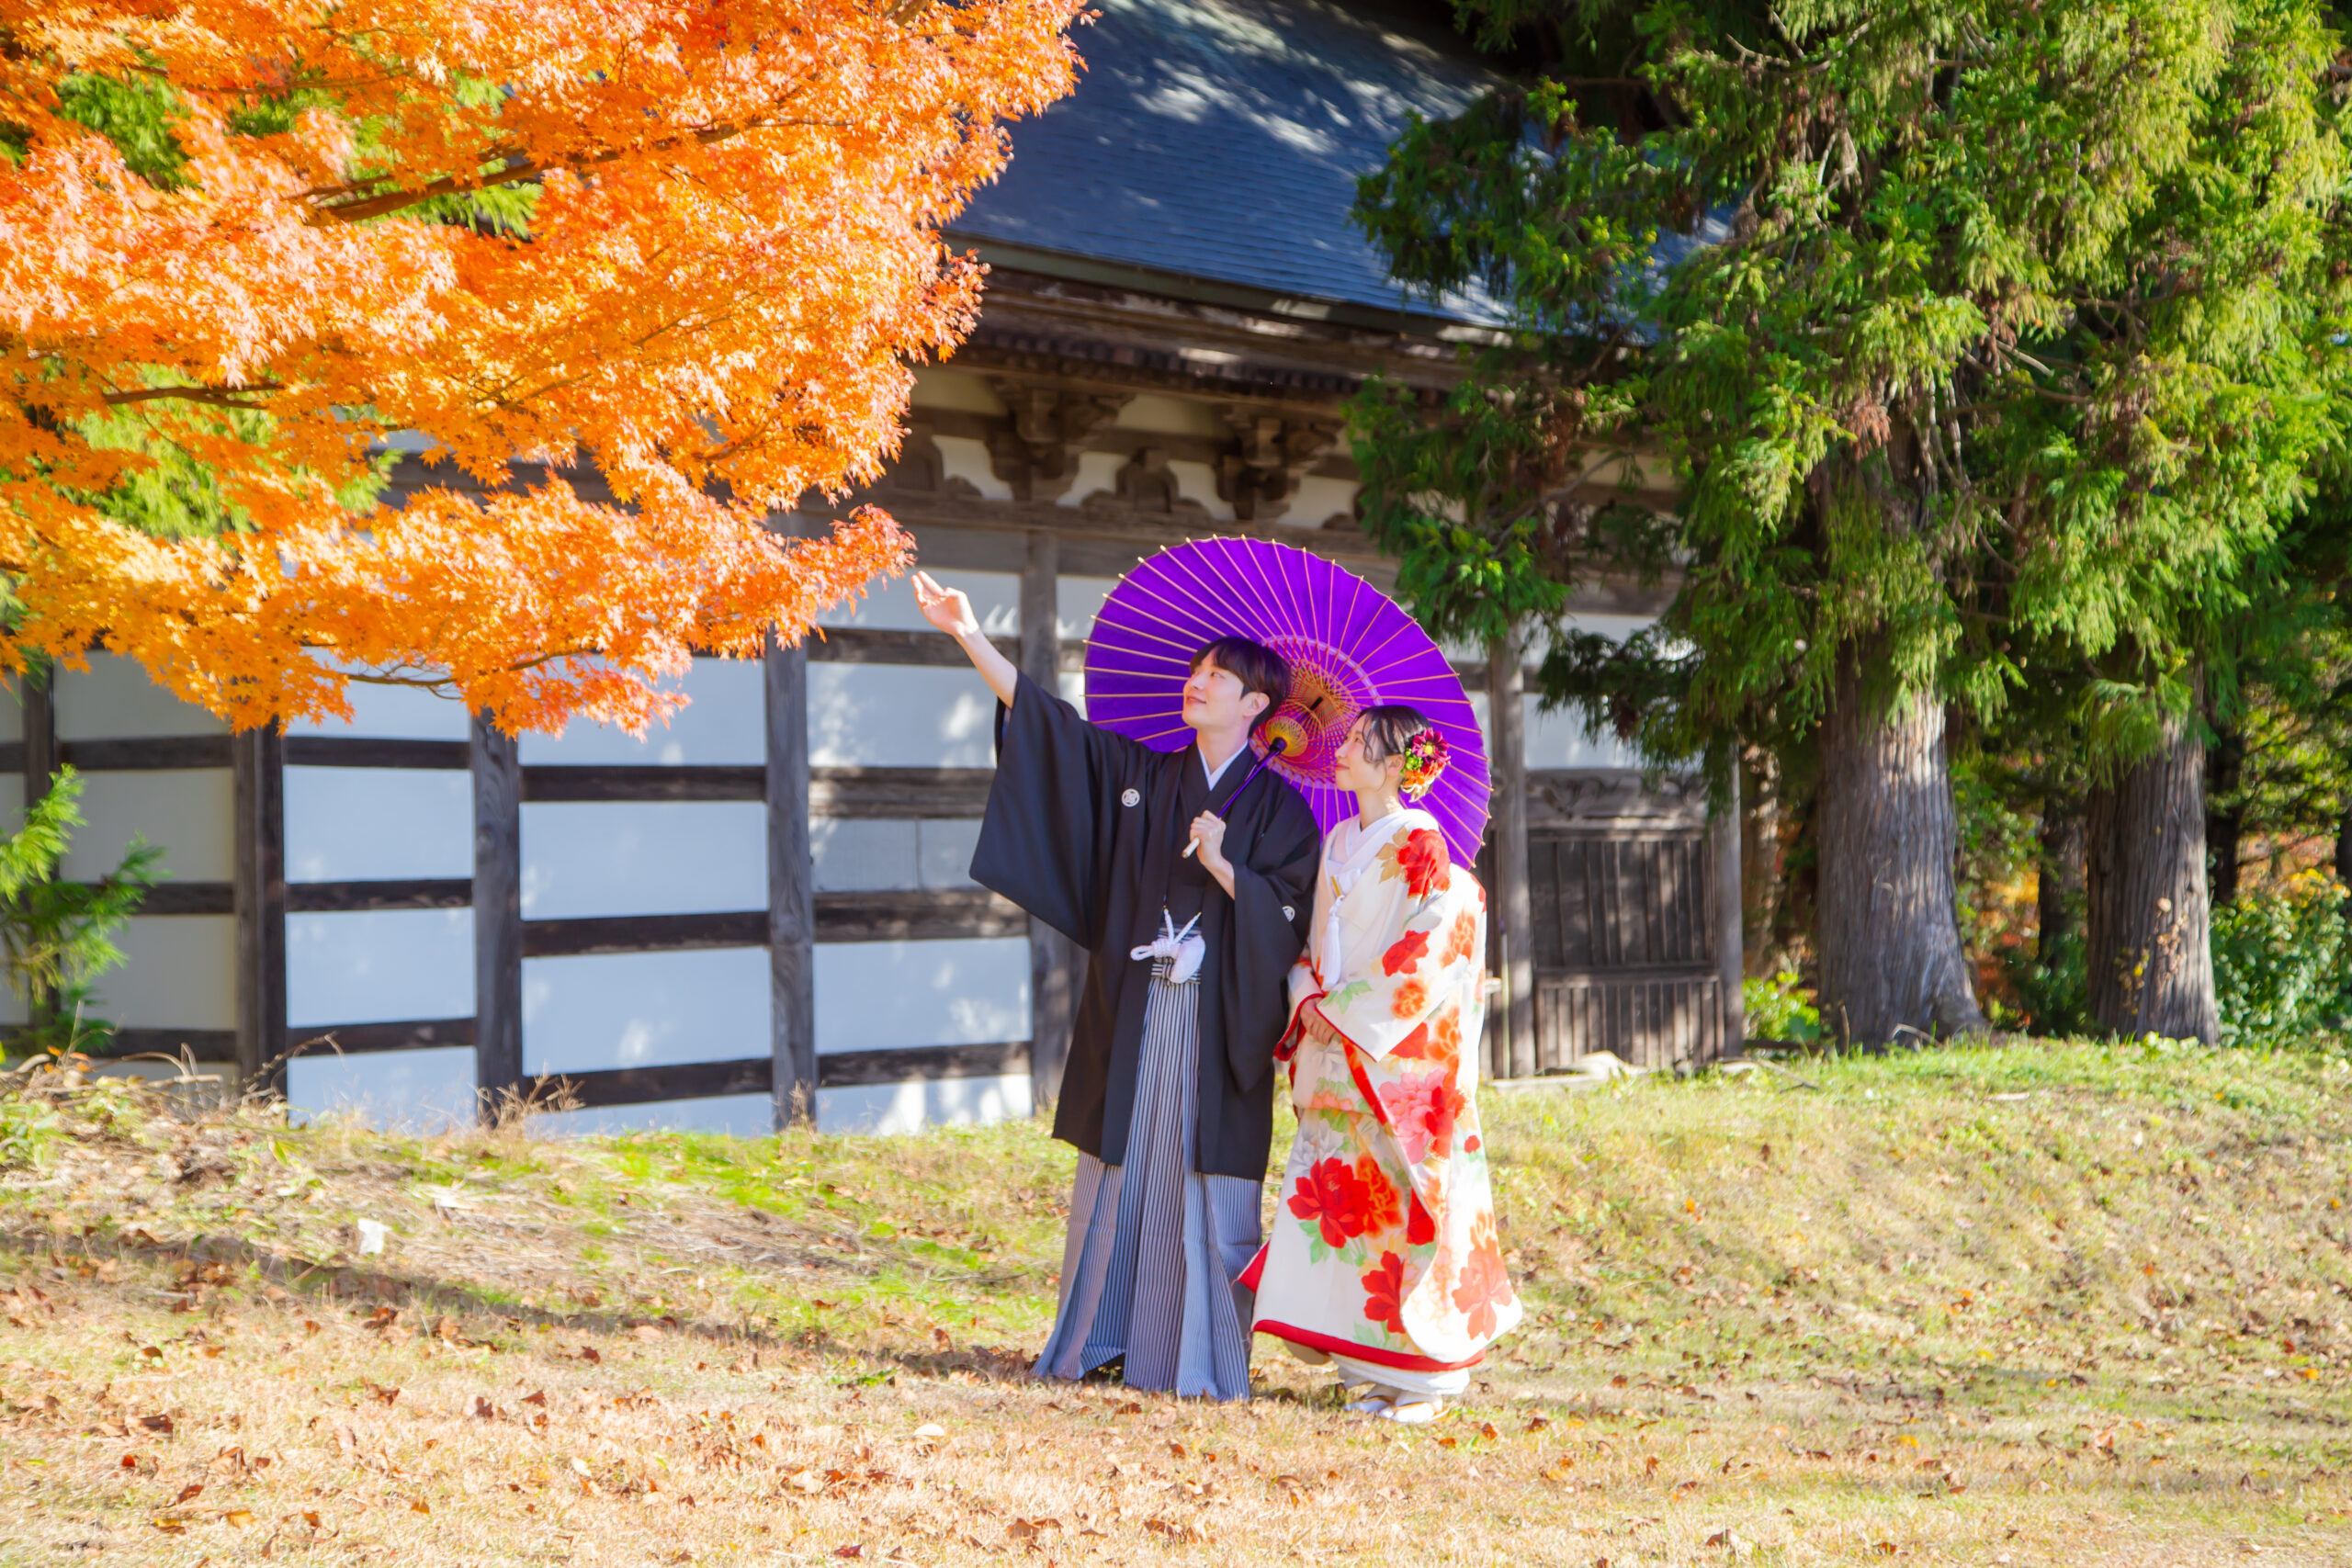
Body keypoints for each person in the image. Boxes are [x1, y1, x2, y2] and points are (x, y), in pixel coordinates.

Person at [911, 570, 1319, 1402]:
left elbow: (1291, 912)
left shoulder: (1283, 812)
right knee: (1124, 1162)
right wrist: (967, 633)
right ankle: (1098, 1338)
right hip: (1137, 1007)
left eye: (1218, 675)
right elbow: (1049, 727)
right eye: (1197, 669)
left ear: (1255, 706)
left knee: (1199, 1175)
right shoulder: (1144, 773)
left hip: (1216, 1017)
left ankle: (1196, 1359)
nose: (1197, 680)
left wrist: (1226, 866)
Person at [1245, 705, 1521, 1423]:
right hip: (1336, 1044)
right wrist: (1307, 993)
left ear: (1396, 765)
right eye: (1349, 738)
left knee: (1402, 1216)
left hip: (1394, 1060)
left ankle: (1425, 1383)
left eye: (1361, 741)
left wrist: (1341, 1009)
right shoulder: (1339, 839)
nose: (1342, 749)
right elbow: (1314, 944)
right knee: (1349, 1217)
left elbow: (1435, 945)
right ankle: (1371, 1371)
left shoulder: (1422, 846)